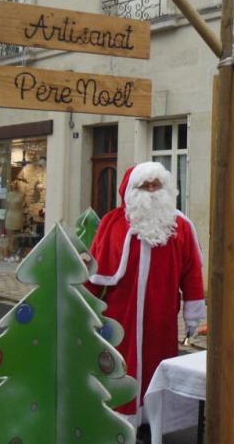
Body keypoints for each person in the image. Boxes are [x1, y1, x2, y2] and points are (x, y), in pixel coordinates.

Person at [85, 162, 205, 422]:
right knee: (119, 366)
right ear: (131, 190)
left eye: (156, 185)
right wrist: (84, 308)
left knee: (157, 367)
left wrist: (193, 314)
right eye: (145, 185)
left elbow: (192, 271)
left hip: (161, 319)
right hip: (121, 317)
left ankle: (154, 420)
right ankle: (118, 417)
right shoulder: (113, 223)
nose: (152, 191)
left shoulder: (180, 226)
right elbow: (95, 269)